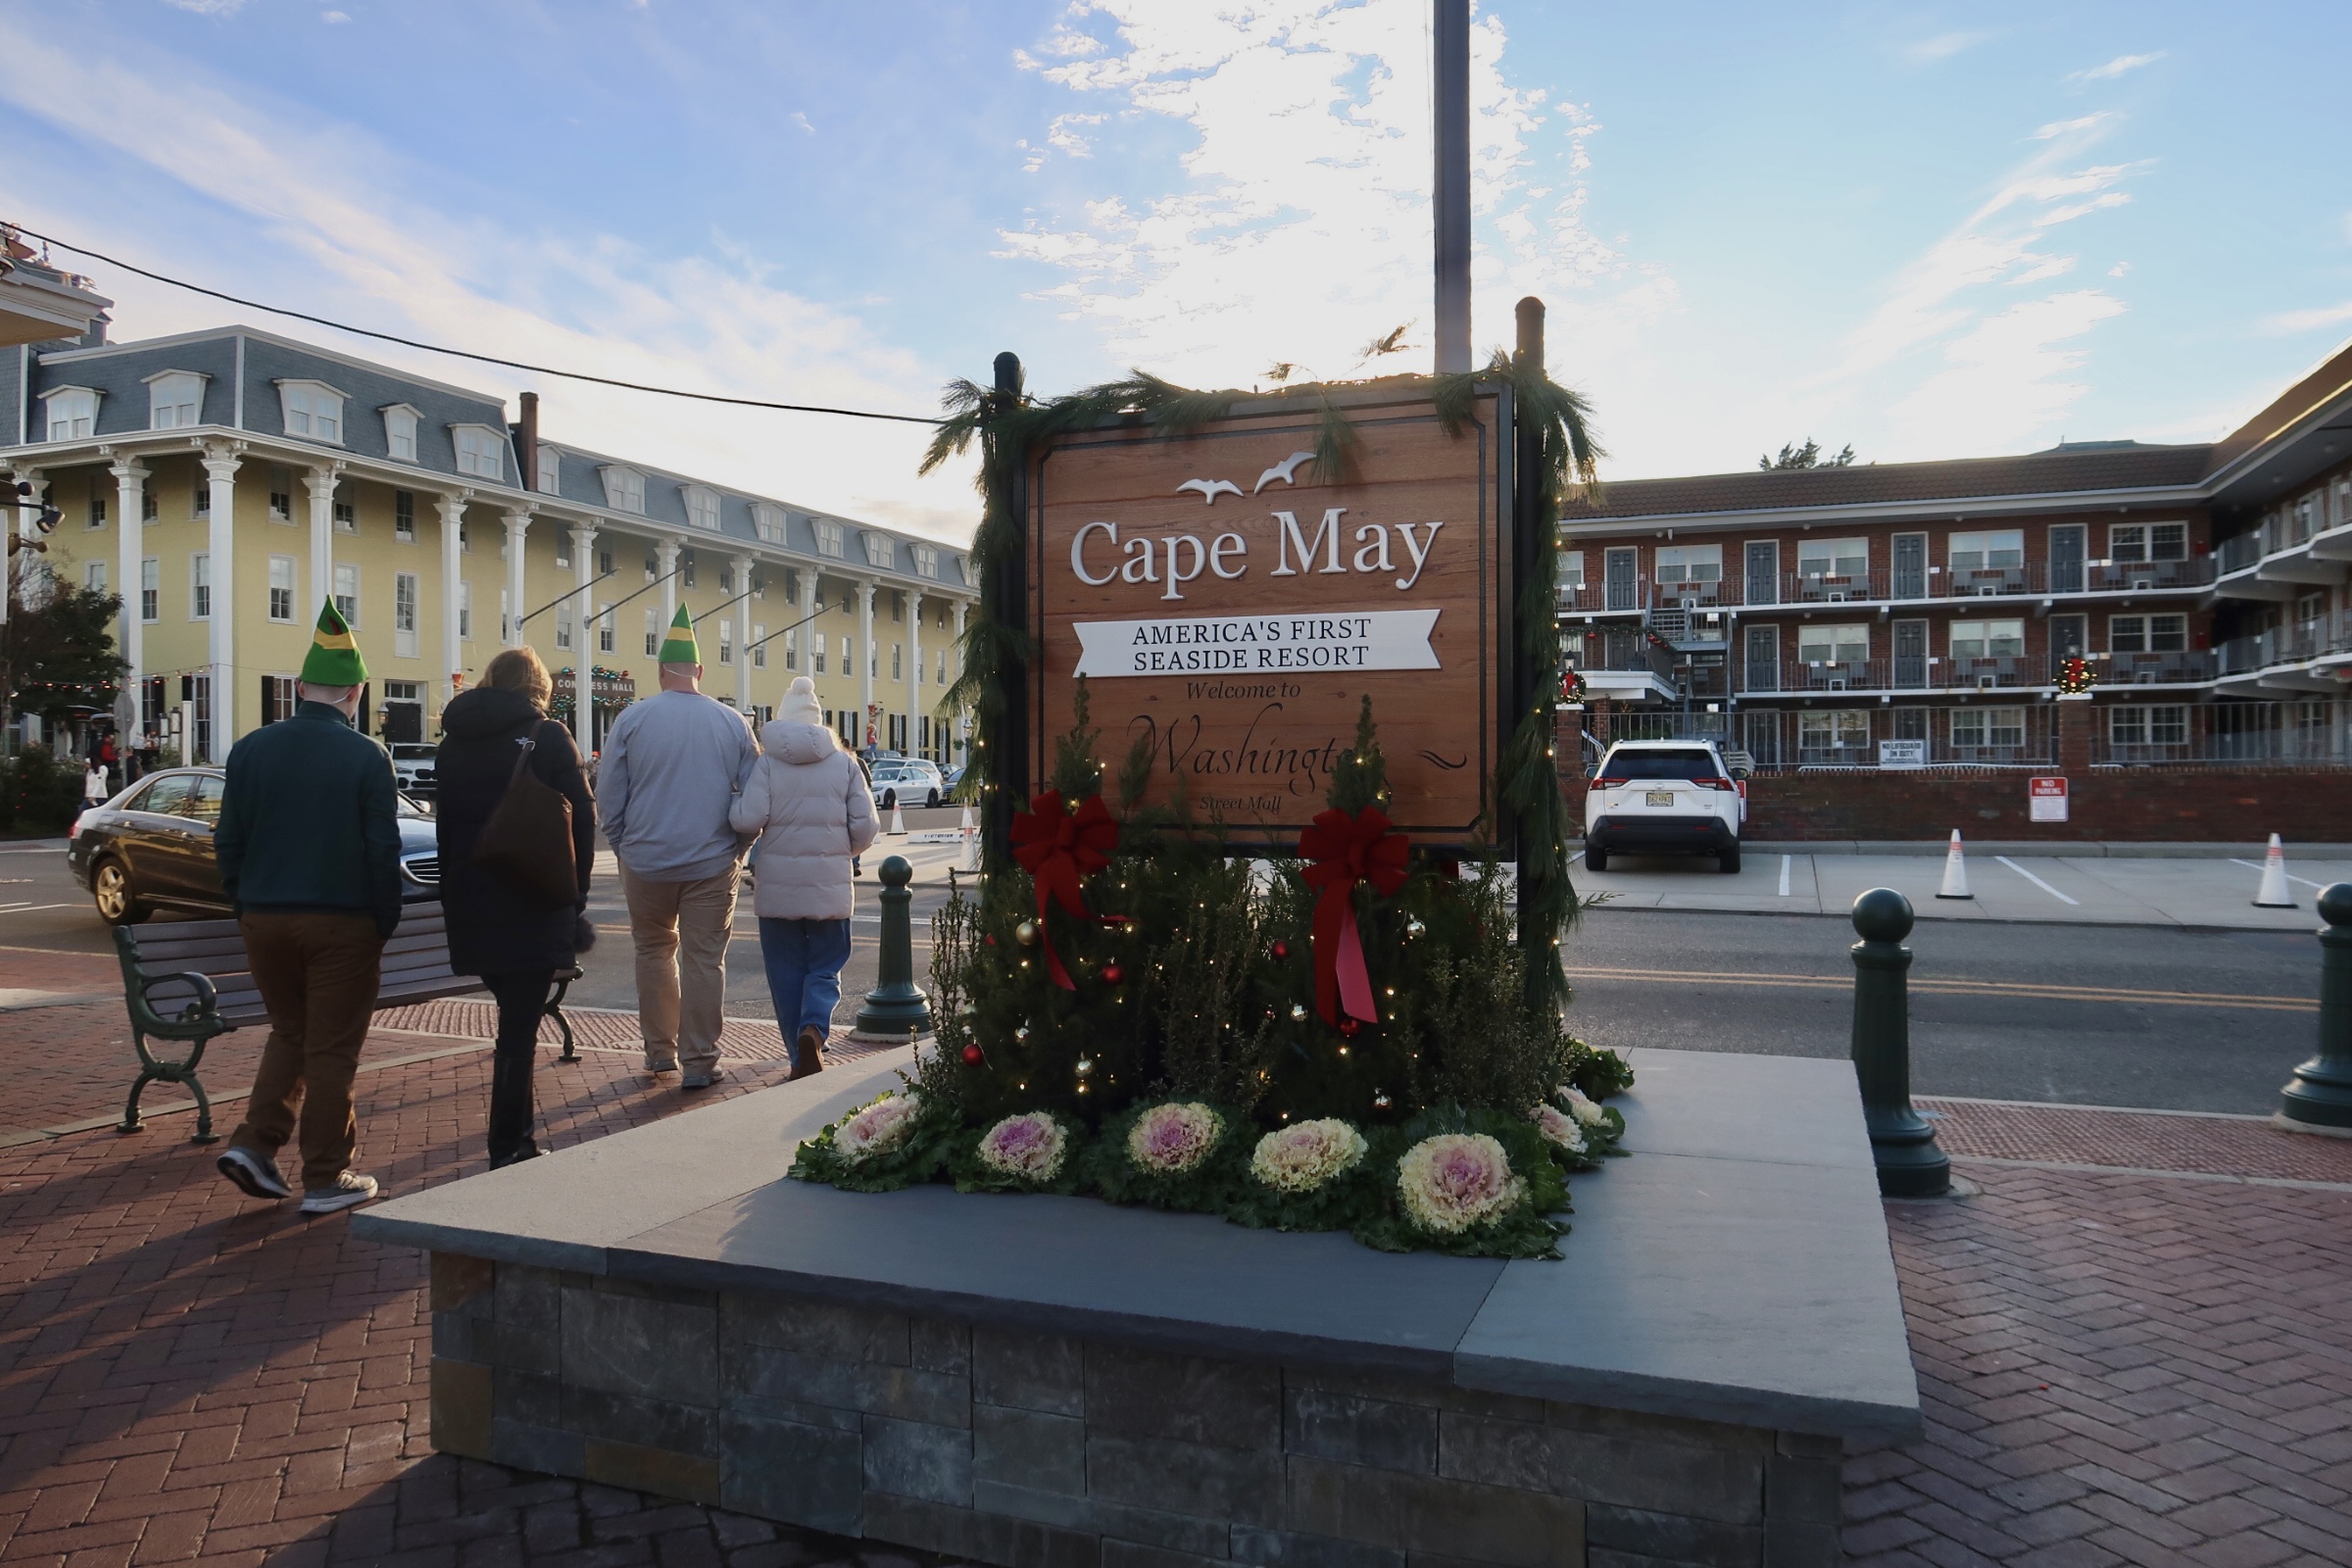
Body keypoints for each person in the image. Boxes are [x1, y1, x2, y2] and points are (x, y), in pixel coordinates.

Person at [213, 603, 400, 1215]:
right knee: (332, 1049)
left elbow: (229, 840)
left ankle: (256, 1145)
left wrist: (244, 898)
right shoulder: (367, 757)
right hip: (341, 921)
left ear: (298, 689)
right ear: (355, 691)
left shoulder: (250, 750)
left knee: (292, 1030)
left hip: (264, 917)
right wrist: (383, 919)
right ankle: (326, 1174)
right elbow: (382, 849)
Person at [433, 647, 596, 1168]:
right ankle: (509, 1143)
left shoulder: (453, 742)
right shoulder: (549, 736)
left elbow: (445, 830)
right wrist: (576, 899)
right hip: (534, 897)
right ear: (539, 689)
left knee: (515, 1016)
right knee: (518, 1029)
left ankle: (514, 1138)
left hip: (471, 898)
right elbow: (583, 825)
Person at [598, 607, 758, 1089]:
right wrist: (738, 848)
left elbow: (609, 796)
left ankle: (658, 1052)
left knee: (652, 950)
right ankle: (700, 1059)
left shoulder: (631, 719)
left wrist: (625, 845)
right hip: (711, 861)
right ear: (700, 672)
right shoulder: (731, 723)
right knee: (704, 959)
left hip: (645, 859)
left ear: (661, 672)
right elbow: (754, 799)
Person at [731, 676, 877, 1079]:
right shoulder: (844, 763)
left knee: (784, 971)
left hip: (777, 886)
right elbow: (866, 826)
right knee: (827, 963)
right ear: (819, 721)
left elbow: (749, 818)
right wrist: (840, 854)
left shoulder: (767, 763)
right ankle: (813, 1027)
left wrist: (731, 806)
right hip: (829, 885)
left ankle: (798, 1059)